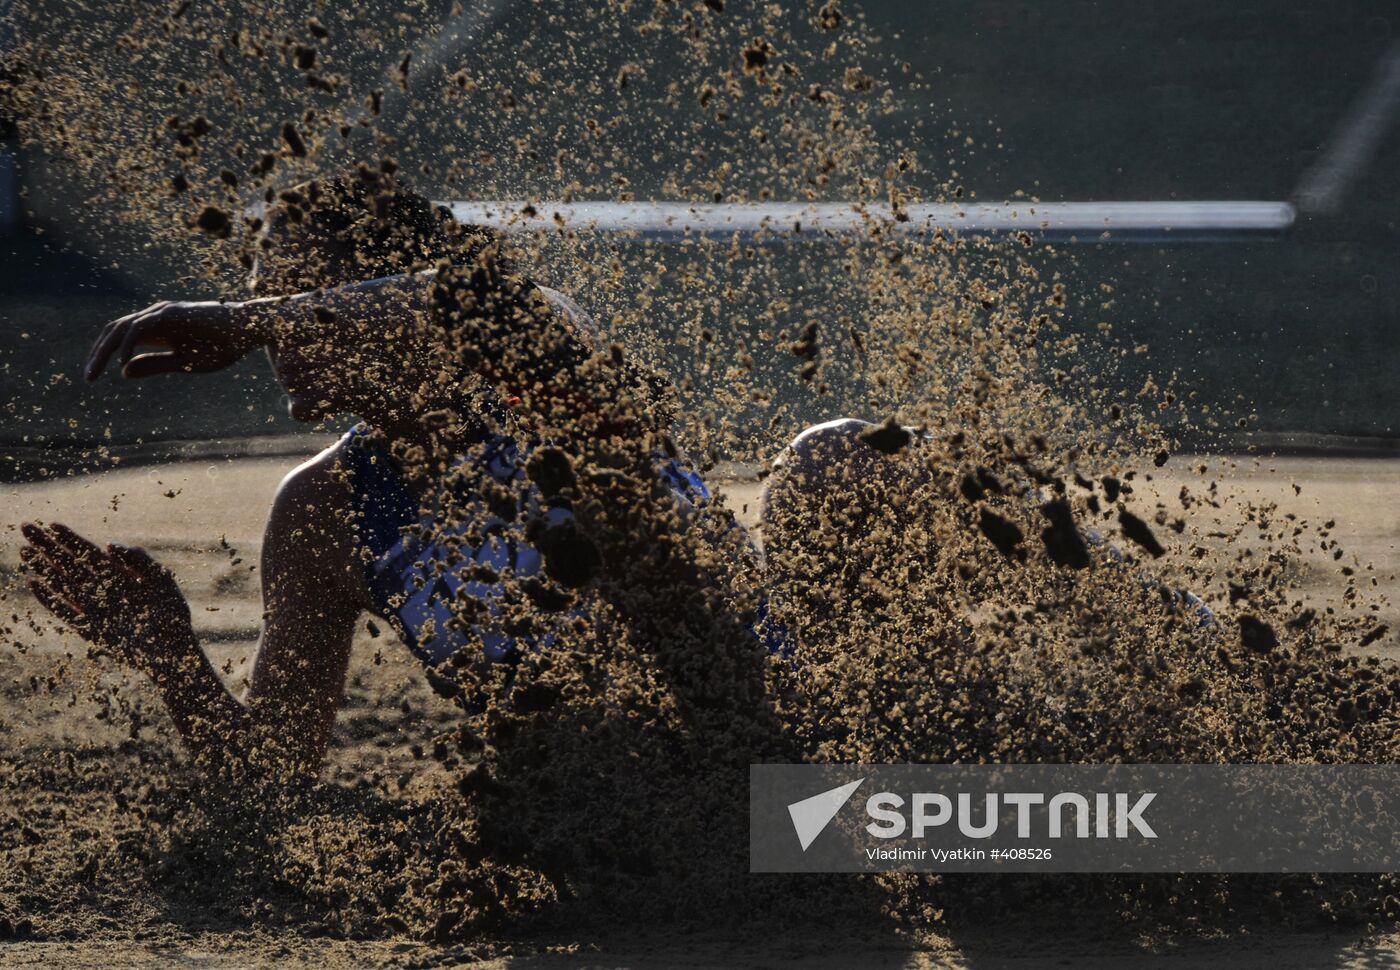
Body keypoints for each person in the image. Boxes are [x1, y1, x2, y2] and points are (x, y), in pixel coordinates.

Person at [20, 172, 860, 776]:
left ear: (388, 296)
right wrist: (172, 657)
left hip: (804, 750)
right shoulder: (325, 508)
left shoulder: (531, 364)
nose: (275, 333)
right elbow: (271, 777)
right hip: (632, 825)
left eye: (301, 300)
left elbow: (483, 293)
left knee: (834, 456)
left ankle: (961, 810)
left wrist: (242, 318)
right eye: (263, 301)